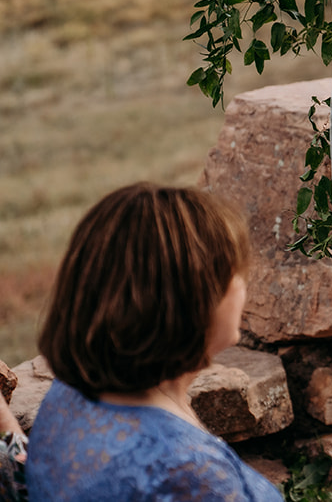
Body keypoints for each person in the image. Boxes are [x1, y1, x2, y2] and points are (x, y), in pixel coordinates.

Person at [25, 183, 276, 502]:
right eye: (235, 273)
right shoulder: (189, 474)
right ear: (192, 301)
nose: (245, 283)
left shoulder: (70, 394)